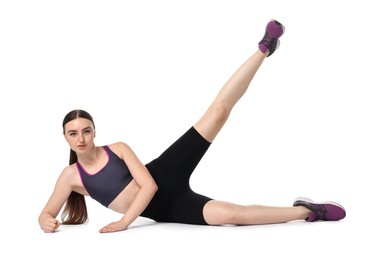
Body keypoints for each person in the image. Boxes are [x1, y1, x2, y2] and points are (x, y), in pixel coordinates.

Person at [38, 19, 346, 233]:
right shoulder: (70, 177)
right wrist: (45, 221)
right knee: (232, 216)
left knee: (217, 113)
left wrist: (123, 223)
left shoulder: (117, 149)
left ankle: (264, 48)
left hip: (164, 172)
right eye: (73, 133)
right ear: (64, 137)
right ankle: (308, 211)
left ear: (94, 131)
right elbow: (47, 212)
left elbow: (149, 186)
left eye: (86, 130)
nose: (81, 138)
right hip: (167, 210)